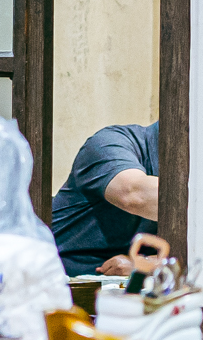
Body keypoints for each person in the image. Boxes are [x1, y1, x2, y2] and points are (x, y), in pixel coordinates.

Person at [47, 119, 160, 278]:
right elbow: (134, 194)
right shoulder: (109, 143)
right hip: (55, 279)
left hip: (121, 289)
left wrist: (146, 264)